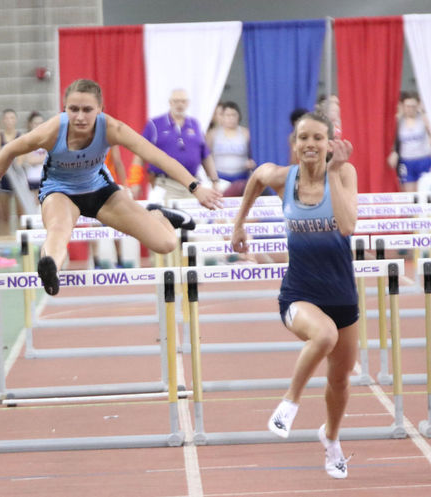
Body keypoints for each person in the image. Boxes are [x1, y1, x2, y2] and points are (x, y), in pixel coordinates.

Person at [0, 79, 222, 296]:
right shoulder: (51, 131)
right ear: (64, 108)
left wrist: (195, 187)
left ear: (100, 109)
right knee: (58, 229)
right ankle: (50, 267)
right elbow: (8, 151)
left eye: (87, 110)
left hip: (100, 192)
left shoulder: (112, 128)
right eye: (73, 109)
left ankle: (157, 215)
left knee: (166, 244)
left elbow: (157, 156)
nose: (80, 117)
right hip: (60, 192)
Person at [231, 112, 358, 479]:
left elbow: (347, 225)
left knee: (340, 380)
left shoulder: (344, 173)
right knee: (324, 335)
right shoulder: (283, 178)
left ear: (329, 143)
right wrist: (239, 224)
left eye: (317, 138)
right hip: (299, 293)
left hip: (342, 294)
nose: (310, 145)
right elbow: (257, 177)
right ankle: (289, 403)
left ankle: (331, 439)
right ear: (295, 143)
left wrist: (334, 172)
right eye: (303, 138)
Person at [128, 89, 221, 202]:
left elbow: (205, 155)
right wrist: (134, 181)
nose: (179, 104)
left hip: (192, 184)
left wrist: (215, 181)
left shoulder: (194, 124)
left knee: (195, 212)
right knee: (166, 212)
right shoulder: (155, 124)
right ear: (170, 102)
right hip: (165, 184)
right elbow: (140, 153)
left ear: (188, 103)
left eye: (183, 101)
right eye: (176, 101)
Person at [387, 92, 431, 192]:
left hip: (424, 159)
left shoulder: (423, 119)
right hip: (407, 161)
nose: (410, 109)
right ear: (403, 106)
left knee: (425, 190)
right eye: (408, 106)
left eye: (413, 106)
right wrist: (394, 152)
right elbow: (394, 139)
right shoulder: (399, 121)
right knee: (409, 192)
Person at [206, 101, 255, 197]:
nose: (231, 118)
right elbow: (206, 156)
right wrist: (212, 178)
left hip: (241, 177)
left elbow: (253, 154)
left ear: (239, 116)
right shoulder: (213, 134)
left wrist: (251, 162)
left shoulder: (245, 133)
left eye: (233, 115)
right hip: (220, 178)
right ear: (222, 117)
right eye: (228, 115)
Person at [92, 145, 128, 269]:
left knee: (94, 223)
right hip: (108, 185)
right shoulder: (109, 139)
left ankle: (96, 262)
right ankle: (119, 260)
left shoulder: (87, 139)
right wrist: (125, 185)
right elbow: (117, 161)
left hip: (92, 185)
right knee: (115, 223)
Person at [0, 108, 22, 236]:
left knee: (21, 213)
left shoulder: (20, 136)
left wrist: (13, 161)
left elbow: (21, 158)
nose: (9, 121)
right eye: (6, 118)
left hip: (18, 176)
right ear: (3, 121)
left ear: (15, 120)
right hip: (3, 177)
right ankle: (4, 238)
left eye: (12, 118)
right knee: (3, 214)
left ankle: (23, 240)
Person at [20, 111, 47, 202]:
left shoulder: (47, 138)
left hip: (46, 177)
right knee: (35, 205)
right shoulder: (26, 138)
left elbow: (52, 157)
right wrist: (44, 158)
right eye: (36, 123)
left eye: (41, 123)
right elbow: (28, 160)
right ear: (30, 124)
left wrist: (39, 159)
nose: (38, 125)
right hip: (32, 178)